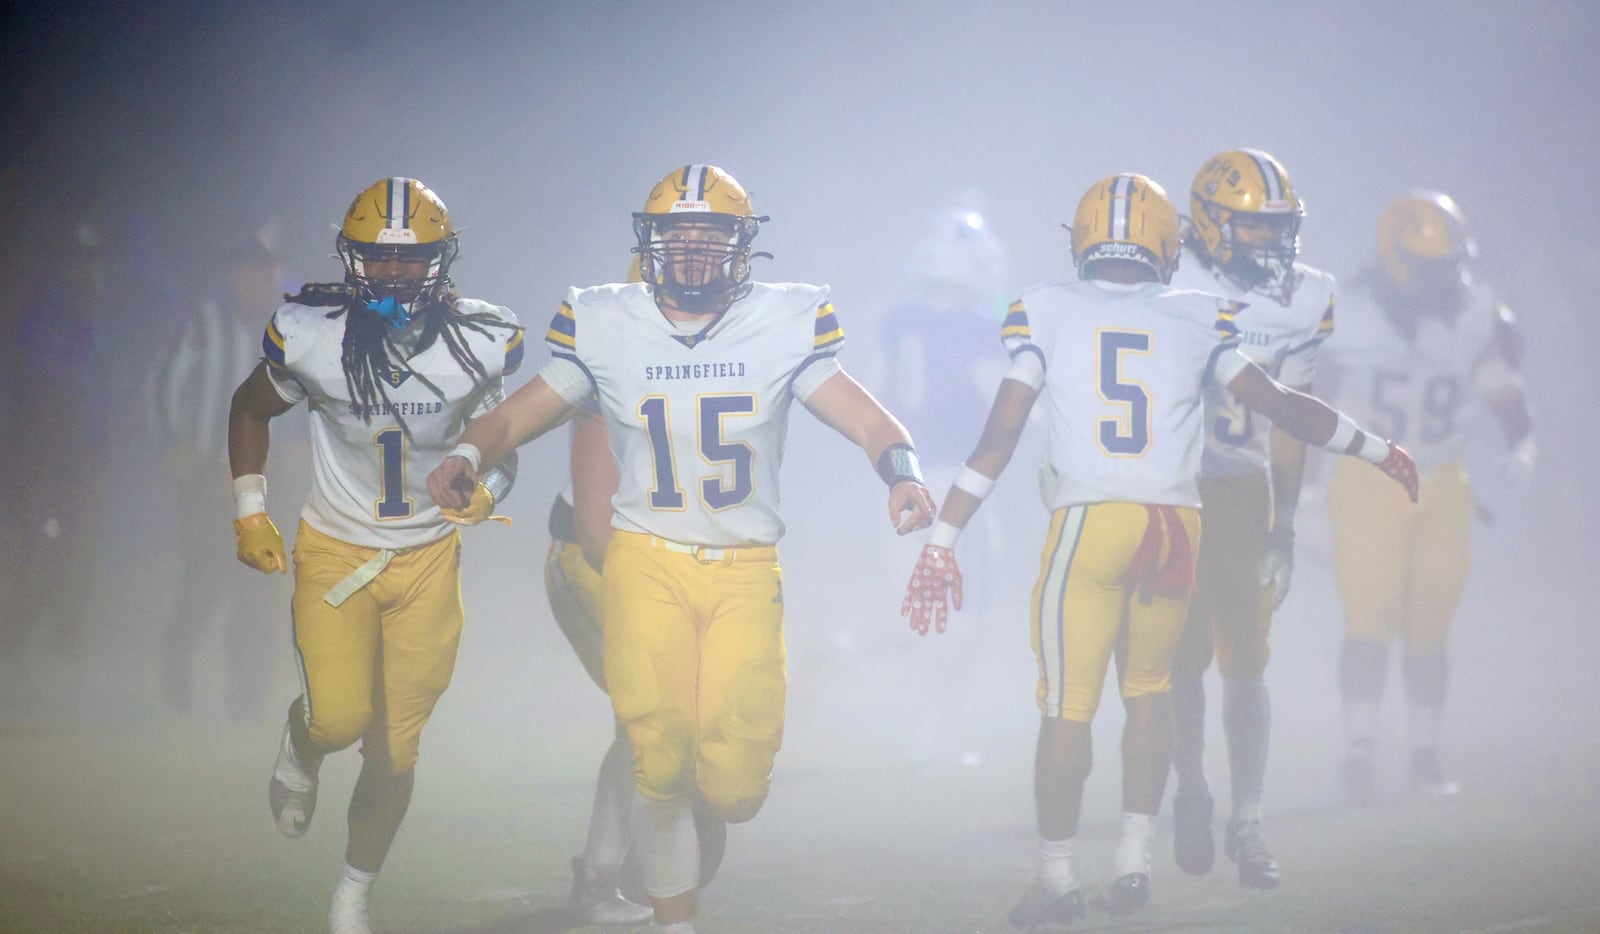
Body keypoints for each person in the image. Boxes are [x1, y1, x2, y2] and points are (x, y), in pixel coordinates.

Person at [898, 173, 1418, 928]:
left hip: (1092, 519)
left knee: (1067, 710)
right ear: (1168, 244)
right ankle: (1136, 856)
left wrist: (944, 535)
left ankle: (1054, 875)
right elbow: (1280, 406)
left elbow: (1001, 435)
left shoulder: (1044, 307)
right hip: (1178, 524)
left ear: (1081, 240)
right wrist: (1375, 447)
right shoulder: (1200, 315)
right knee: (1151, 693)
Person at [428, 163, 935, 934]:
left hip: (743, 569)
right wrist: (467, 451)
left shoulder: (783, 321)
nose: (693, 253)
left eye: (711, 236)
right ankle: (674, 922)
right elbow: (519, 413)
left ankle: (656, 863)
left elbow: (868, 418)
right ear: (650, 244)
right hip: (644, 561)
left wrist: (900, 473)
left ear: (742, 246)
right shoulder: (606, 322)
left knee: (734, 788)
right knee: (657, 761)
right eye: (677, 236)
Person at [228, 177, 524, 934]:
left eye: (411, 259)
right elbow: (250, 405)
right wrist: (249, 510)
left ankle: (354, 893)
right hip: (336, 550)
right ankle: (304, 741)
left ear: (441, 260)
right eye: (377, 260)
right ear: (350, 259)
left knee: (395, 751)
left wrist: (486, 489)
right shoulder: (315, 331)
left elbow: (502, 443)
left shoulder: (478, 342)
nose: (393, 275)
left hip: (426, 560)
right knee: (338, 720)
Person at [1320, 190, 1534, 804]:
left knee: (1430, 625)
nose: (1445, 279)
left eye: (1449, 265)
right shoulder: (1350, 311)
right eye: (1431, 267)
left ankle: (1424, 756)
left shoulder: (1473, 313)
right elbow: (1313, 404)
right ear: (1395, 259)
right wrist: (1305, 496)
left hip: (1442, 483)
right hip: (1369, 479)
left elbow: (1500, 383)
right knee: (1369, 619)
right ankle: (1358, 753)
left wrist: (1522, 442)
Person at [1163, 148, 1336, 888]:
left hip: (1241, 493)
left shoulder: (1305, 296)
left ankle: (1251, 818)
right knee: (1177, 664)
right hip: (1169, 490)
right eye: (1253, 228)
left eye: (1278, 228)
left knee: (1247, 663)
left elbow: (1291, 420)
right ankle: (1193, 789)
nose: (1272, 245)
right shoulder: (1166, 278)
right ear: (1208, 221)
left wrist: (1287, 523)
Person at [150, 233, 291, 722]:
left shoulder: (291, 329)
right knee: (204, 583)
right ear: (234, 276)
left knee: (260, 592)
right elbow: (164, 385)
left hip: (274, 478)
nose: (262, 281)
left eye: (270, 271)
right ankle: (176, 675)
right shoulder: (204, 323)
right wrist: (176, 445)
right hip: (213, 477)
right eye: (253, 271)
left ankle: (245, 704)